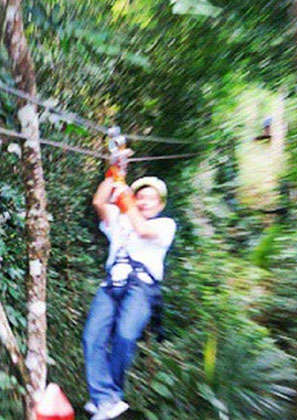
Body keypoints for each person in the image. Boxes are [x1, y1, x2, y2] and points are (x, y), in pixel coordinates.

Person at [82, 169, 176, 420]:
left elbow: (143, 230)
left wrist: (126, 199)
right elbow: (99, 202)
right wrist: (113, 175)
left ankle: (109, 396)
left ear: (160, 204)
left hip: (141, 289)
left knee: (125, 335)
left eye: (150, 198)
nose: (144, 202)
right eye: (140, 196)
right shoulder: (121, 217)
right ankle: (104, 398)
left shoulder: (165, 225)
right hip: (113, 284)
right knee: (92, 337)